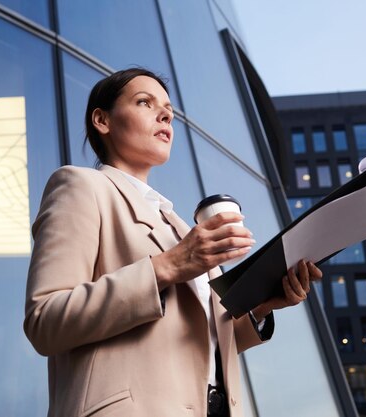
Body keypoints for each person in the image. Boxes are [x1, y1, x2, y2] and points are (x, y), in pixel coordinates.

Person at [24, 68, 323, 417]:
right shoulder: (80, 186)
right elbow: (44, 321)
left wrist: (262, 307)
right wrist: (167, 266)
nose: (165, 114)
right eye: (144, 102)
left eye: (168, 109)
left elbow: (201, 344)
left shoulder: (180, 227)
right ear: (102, 120)